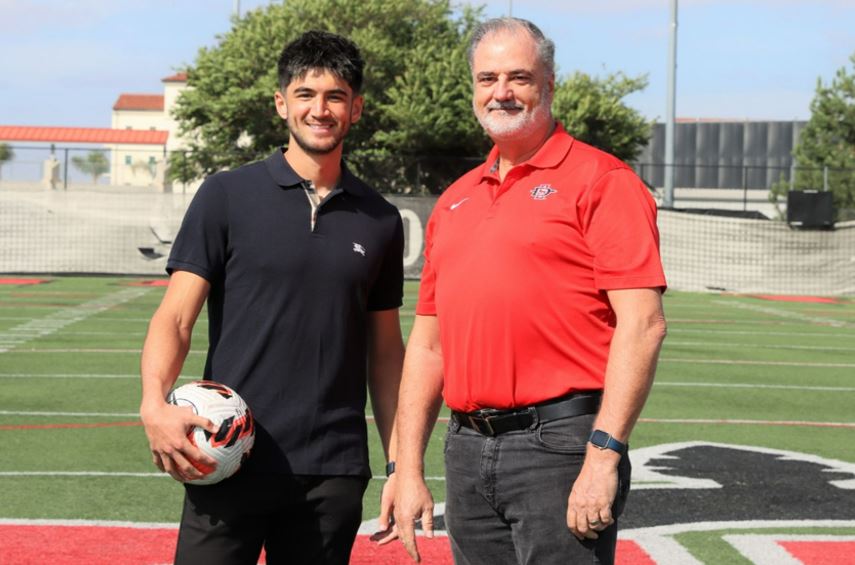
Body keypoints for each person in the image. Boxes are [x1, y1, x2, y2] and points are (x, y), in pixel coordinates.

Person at [391, 18, 667, 565]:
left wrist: (603, 456)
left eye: (519, 77)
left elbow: (643, 325)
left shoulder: (603, 181)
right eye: (487, 77)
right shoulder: (454, 200)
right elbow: (427, 347)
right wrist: (406, 468)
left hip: (561, 448)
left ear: (549, 85)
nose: (502, 92)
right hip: (466, 450)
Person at [139, 30, 405, 565]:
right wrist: (153, 403)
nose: (320, 109)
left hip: (332, 469)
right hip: (227, 453)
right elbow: (176, 318)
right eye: (305, 94)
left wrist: (401, 465)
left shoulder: (380, 220)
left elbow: (386, 354)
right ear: (281, 103)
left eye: (335, 97)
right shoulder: (226, 195)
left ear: (356, 108)